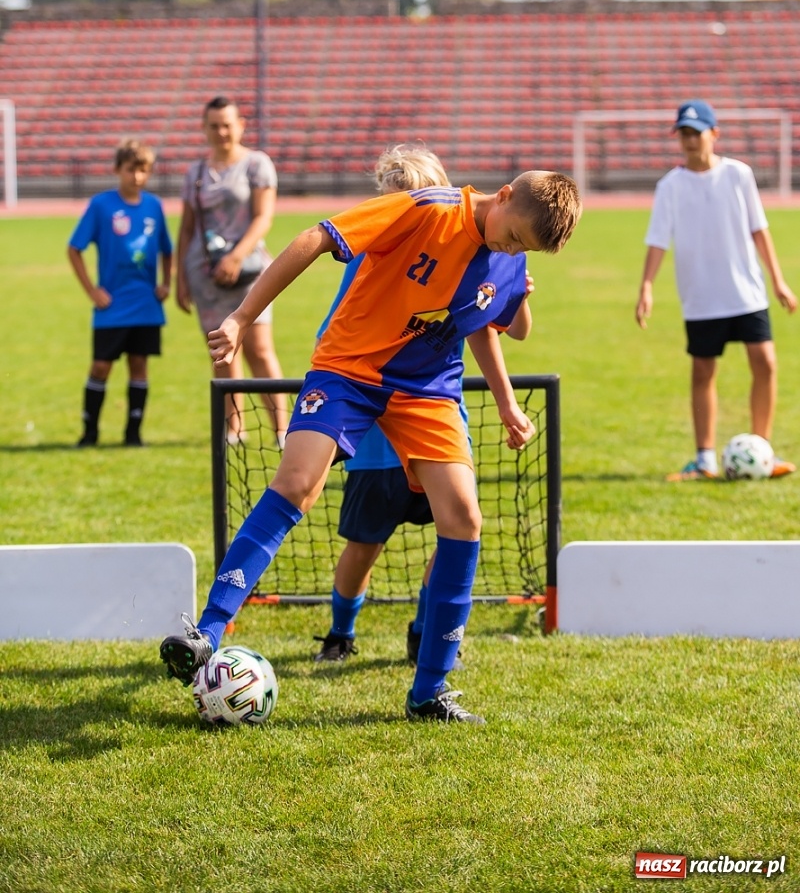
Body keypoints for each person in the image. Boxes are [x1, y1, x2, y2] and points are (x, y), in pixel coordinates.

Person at [161, 167, 581, 725]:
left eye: (522, 247)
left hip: (426, 389)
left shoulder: (511, 255)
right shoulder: (425, 208)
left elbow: (489, 324)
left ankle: (429, 692)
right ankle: (207, 632)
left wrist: (505, 403)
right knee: (297, 483)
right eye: (512, 236)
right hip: (348, 370)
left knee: (464, 518)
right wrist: (242, 317)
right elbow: (315, 238)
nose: (509, 247)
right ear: (502, 196)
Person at [311, 144, 534, 666]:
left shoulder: (470, 254)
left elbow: (502, 330)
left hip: (432, 411)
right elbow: (340, 343)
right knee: (365, 542)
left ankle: (425, 630)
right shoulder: (375, 258)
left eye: (416, 200)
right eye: (395, 202)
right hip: (373, 429)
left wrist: (520, 297)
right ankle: (341, 631)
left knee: (457, 525)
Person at [635, 99, 797, 481]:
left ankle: (762, 451)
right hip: (702, 296)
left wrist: (778, 280)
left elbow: (759, 229)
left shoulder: (739, 174)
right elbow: (658, 240)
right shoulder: (670, 186)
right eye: (684, 134)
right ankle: (705, 458)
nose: (690, 141)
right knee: (703, 371)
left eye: (696, 133)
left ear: (714, 134)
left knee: (766, 363)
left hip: (746, 290)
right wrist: (646, 286)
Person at [176, 96, 288, 446]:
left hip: (250, 268)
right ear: (204, 128)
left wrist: (236, 256)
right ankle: (234, 427)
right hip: (206, 274)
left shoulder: (257, 164)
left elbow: (263, 217)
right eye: (214, 125)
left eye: (227, 124)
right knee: (222, 351)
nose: (221, 132)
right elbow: (187, 228)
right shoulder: (195, 172)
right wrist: (181, 277)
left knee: (259, 348)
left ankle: (282, 429)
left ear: (240, 125)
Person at [67, 138, 172, 447]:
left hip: (145, 304)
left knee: (139, 365)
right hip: (112, 304)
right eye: (130, 170)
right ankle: (90, 433)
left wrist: (166, 282)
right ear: (117, 170)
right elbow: (74, 249)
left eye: (143, 171)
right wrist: (92, 290)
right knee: (101, 366)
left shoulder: (154, 206)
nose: (137, 177)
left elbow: (168, 249)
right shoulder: (101, 205)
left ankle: (133, 434)